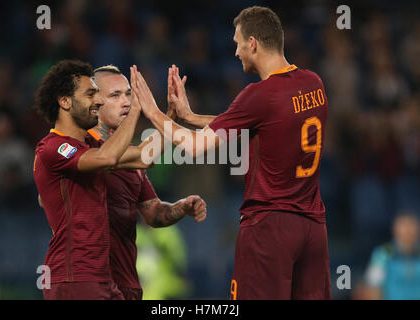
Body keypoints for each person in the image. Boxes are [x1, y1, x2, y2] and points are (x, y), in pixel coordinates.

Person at [132, 5, 330, 299]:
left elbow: (194, 146)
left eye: (238, 43)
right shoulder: (313, 83)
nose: (236, 52)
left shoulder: (258, 95)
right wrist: (191, 115)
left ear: (252, 43)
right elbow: (265, 124)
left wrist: (154, 113)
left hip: (269, 228)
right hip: (313, 227)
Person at [86, 64, 206, 299]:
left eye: (129, 94)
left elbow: (153, 213)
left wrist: (182, 206)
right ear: (95, 102)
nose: (126, 102)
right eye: (115, 95)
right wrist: (157, 115)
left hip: (126, 285)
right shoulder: (82, 147)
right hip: (89, 282)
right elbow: (143, 156)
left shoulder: (130, 158)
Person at [33, 60, 143, 300]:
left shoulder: (90, 146)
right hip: (73, 276)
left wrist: (168, 117)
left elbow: (145, 157)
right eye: (90, 93)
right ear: (65, 101)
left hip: (100, 278)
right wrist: (135, 109)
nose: (99, 101)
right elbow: (109, 156)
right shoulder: (52, 148)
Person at [360, 213, 420, 300]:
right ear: (395, 229)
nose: (408, 230)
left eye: (411, 226)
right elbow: (373, 286)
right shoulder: (383, 254)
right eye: (404, 226)